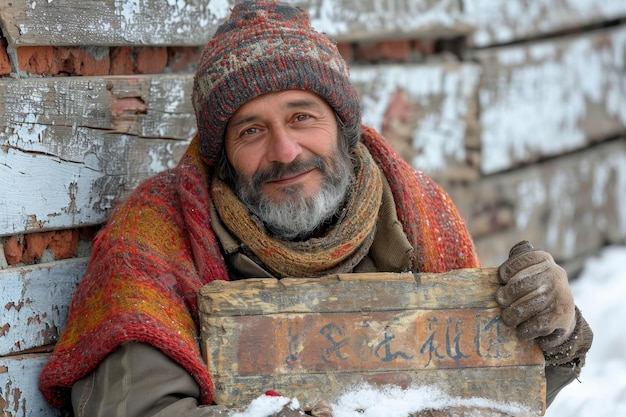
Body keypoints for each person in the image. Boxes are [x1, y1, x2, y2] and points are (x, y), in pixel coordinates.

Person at [39, 1, 593, 416]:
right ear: (222, 158)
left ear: (343, 127)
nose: (284, 151)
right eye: (252, 130)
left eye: (302, 116)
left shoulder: (414, 212)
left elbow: (485, 389)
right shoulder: (155, 241)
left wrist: (559, 335)